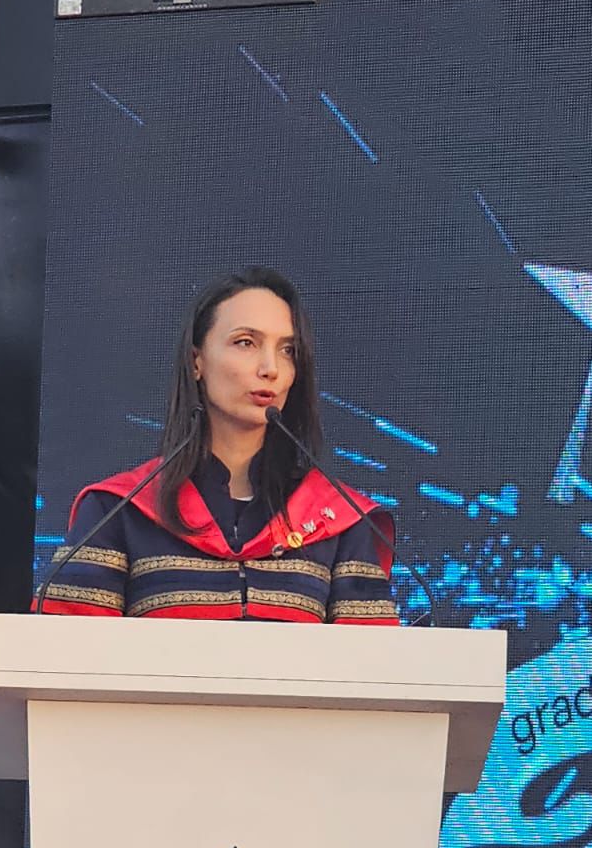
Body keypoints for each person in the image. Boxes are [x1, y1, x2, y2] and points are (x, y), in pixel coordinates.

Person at [35, 266, 399, 625]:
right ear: (197, 361)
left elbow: (372, 658)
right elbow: (62, 651)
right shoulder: (120, 510)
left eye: (287, 350)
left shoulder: (339, 519)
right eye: (246, 343)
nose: (270, 368)